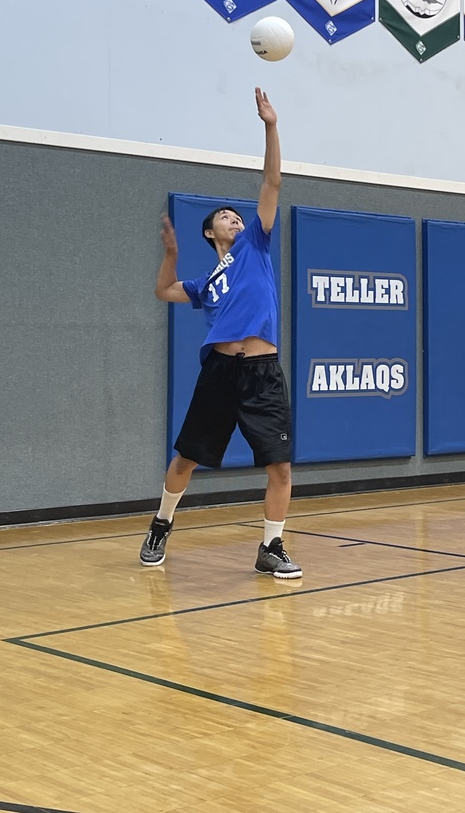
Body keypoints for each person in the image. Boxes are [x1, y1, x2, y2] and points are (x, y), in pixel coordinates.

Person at [139, 87, 301, 579]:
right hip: (219, 371)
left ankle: (271, 546)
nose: (235, 218)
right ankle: (161, 524)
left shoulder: (256, 244)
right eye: (224, 217)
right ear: (211, 233)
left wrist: (271, 125)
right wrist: (171, 255)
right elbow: (163, 290)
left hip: (262, 372)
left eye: (237, 215)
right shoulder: (205, 282)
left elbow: (272, 181)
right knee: (186, 459)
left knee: (280, 466)